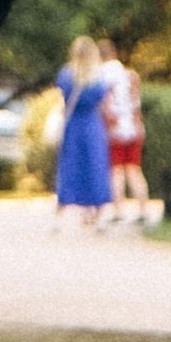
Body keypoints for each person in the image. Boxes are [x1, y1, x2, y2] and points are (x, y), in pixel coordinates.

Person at [54, 32, 114, 227]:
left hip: (73, 125)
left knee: (70, 166)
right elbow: (104, 101)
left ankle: (60, 212)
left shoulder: (66, 74)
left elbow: (61, 98)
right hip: (92, 124)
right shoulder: (98, 77)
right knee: (95, 166)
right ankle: (96, 212)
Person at [100, 39, 152, 224]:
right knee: (134, 170)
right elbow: (137, 106)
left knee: (116, 171)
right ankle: (143, 209)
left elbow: (104, 105)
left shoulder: (102, 76)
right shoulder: (129, 75)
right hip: (134, 128)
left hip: (115, 129)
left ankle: (118, 210)